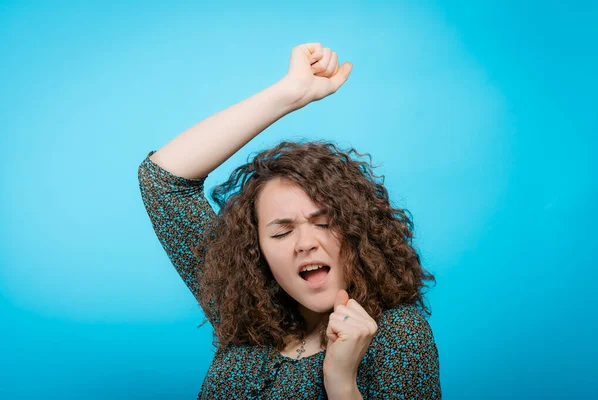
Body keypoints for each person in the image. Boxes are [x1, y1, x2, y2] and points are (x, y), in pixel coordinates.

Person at [138, 42, 441, 399]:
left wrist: (342, 381)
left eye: (324, 222)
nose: (305, 242)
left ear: (358, 232)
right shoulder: (247, 314)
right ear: (257, 251)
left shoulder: (399, 334)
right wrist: (290, 94)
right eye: (281, 232)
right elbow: (162, 181)